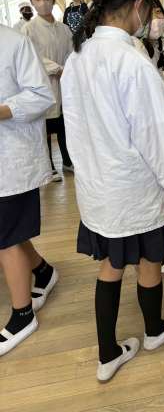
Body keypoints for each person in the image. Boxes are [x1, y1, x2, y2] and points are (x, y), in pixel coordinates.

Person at [61, 0, 164, 383]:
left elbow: (75, 127)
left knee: (111, 265)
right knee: (150, 260)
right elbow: (154, 136)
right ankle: (153, 331)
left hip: (99, 188)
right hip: (135, 188)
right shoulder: (132, 62)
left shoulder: (79, 56)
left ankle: (107, 354)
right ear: (138, 6)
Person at [0, 25, 59, 356]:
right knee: (11, 230)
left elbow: (41, 94)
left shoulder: (14, 43)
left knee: (5, 237)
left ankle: (23, 315)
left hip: (12, 157)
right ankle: (43, 272)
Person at [23, 0, 73, 182]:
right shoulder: (29, 29)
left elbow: (71, 52)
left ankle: (68, 161)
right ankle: (48, 166)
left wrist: (68, 69)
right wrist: (57, 69)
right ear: (32, 2)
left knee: (64, 124)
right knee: (44, 126)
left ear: (53, 0)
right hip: (43, 83)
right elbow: (32, 56)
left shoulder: (64, 29)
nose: (42, 3)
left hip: (64, 82)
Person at [142, 0, 164, 69]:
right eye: (149, 14)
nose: (155, 18)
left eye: (158, 11)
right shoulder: (139, 47)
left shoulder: (158, 42)